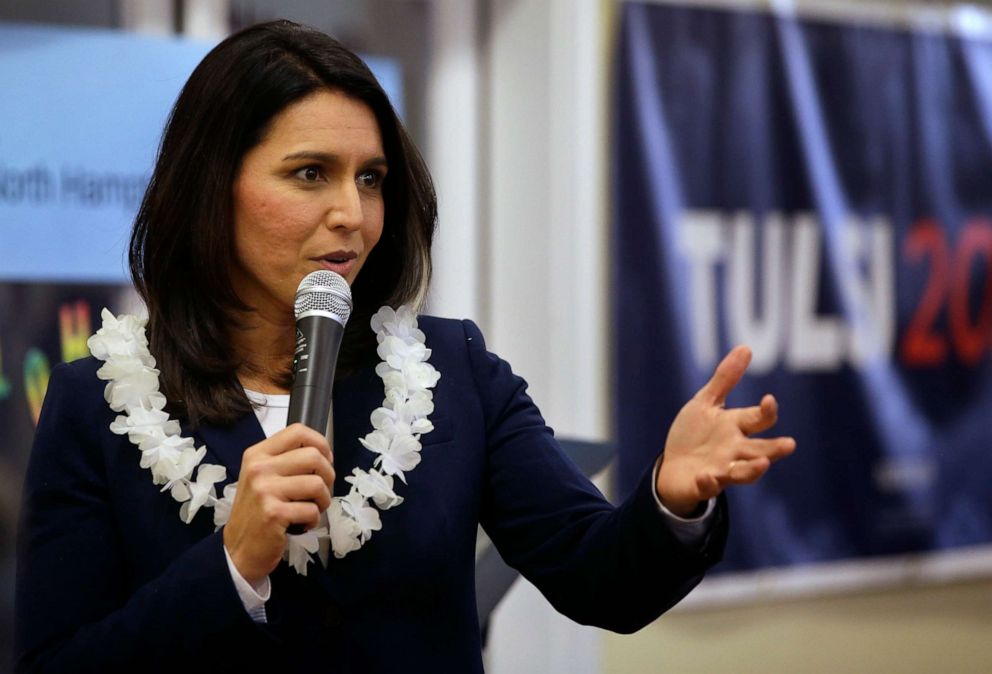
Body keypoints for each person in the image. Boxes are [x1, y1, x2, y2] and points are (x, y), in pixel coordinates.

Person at [14, 19, 795, 673]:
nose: (351, 214)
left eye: (372, 178)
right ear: (211, 188)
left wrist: (672, 497)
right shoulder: (95, 404)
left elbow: (602, 581)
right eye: (310, 173)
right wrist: (231, 565)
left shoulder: (454, 372)